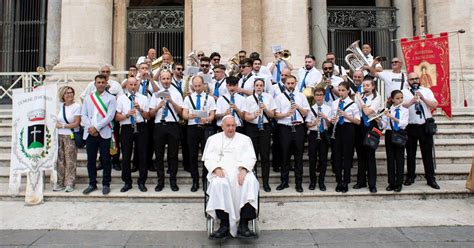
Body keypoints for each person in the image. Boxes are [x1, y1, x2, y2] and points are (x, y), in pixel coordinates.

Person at [203, 115, 259, 239]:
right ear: (222, 126)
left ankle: (244, 224)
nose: (231, 128)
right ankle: (224, 224)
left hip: (240, 171)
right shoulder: (213, 139)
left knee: (250, 181)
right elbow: (208, 158)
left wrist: (244, 170)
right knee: (219, 183)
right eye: (228, 126)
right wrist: (216, 168)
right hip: (221, 172)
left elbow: (251, 157)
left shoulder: (245, 139)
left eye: (233, 125)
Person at [80, 65, 124, 171]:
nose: (105, 73)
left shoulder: (116, 85)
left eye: (107, 71)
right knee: (95, 154)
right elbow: (83, 98)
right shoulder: (91, 86)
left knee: (114, 140)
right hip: (93, 124)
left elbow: (121, 98)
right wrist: (91, 124)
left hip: (110, 119)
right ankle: (99, 165)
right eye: (103, 71)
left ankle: (115, 160)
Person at [402, 72, 439, 189]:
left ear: (419, 79)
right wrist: (411, 101)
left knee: (427, 153)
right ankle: (410, 177)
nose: (414, 81)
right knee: (410, 154)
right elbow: (401, 106)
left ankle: (430, 179)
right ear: (408, 81)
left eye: (416, 78)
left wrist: (422, 98)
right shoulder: (404, 92)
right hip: (410, 126)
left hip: (424, 126)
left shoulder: (426, 90)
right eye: (411, 79)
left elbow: (434, 104)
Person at [81, 74, 117, 195]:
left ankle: (106, 184)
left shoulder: (111, 98)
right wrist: (90, 128)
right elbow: (84, 115)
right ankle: (92, 183)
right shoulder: (88, 98)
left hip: (104, 132)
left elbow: (110, 116)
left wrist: (96, 127)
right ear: (95, 83)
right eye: (98, 82)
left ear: (106, 83)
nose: (101, 84)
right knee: (91, 160)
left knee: (106, 160)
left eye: (103, 82)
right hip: (90, 133)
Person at [149, 70, 184, 192]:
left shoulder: (177, 94)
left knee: (173, 155)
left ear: (171, 79)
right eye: (163, 79)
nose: (166, 81)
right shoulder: (156, 94)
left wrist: (171, 102)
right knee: (159, 155)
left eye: (168, 78)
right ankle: (160, 181)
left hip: (173, 125)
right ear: (160, 80)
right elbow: (150, 114)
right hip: (159, 126)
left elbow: (181, 112)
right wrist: (158, 106)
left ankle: (173, 181)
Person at [274, 75, 310, 192]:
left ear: (295, 83)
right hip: (285, 128)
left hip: (299, 128)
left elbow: (305, 114)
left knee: (298, 157)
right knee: (284, 156)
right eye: (288, 83)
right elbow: (275, 115)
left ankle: (298, 183)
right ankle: (284, 182)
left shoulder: (301, 96)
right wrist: (286, 114)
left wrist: (298, 107)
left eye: (292, 83)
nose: (290, 85)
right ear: (285, 84)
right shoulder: (279, 97)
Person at [182, 75, 217, 192]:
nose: (197, 88)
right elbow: (184, 114)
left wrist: (206, 120)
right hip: (192, 128)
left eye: (199, 86)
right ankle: (195, 181)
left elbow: (212, 115)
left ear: (203, 85)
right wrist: (189, 116)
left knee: (206, 156)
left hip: (205, 128)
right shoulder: (188, 98)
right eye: (195, 86)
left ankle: (205, 180)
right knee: (192, 156)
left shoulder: (210, 98)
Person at [115, 77, 150, 192]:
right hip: (126, 128)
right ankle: (127, 182)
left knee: (142, 156)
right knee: (126, 156)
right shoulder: (121, 99)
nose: (133, 87)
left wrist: (140, 109)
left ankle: (142, 182)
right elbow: (116, 117)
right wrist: (127, 115)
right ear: (126, 86)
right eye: (131, 84)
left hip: (141, 127)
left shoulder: (144, 98)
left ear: (138, 85)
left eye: (135, 84)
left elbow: (148, 117)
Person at [244, 78, 277, 192]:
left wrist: (265, 109)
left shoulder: (269, 97)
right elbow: (245, 117)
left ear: (264, 86)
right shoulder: (248, 99)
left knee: (265, 156)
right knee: (253, 157)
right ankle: (253, 183)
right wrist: (254, 115)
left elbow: (272, 114)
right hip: (252, 128)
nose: (259, 87)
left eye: (261, 85)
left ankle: (266, 183)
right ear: (254, 86)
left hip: (265, 128)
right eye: (257, 85)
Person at [330, 81, 360, 193]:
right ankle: (339, 181)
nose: (341, 92)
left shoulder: (353, 104)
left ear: (348, 91)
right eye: (339, 90)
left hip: (348, 129)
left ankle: (346, 181)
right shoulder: (334, 103)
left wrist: (346, 115)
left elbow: (357, 121)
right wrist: (333, 120)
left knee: (347, 156)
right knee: (337, 156)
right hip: (337, 129)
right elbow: (332, 117)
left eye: (343, 90)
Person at [353, 79, 381, 193]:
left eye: (368, 85)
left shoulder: (376, 97)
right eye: (364, 85)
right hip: (360, 127)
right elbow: (356, 110)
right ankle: (361, 181)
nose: (365, 87)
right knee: (360, 155)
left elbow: (368, 112)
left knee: (370, 156)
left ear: (373, 86)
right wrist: (359, 99)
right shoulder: (359, 96)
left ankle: (372, 184)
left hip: (370, 127)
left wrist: (361, 102)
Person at [379, 90, 409, 192]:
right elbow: (383, 125)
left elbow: (404, 124)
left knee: (400, 159)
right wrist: (379, 119)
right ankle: (391, 183)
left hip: (400, 134)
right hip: (389, 134)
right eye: (397, 98)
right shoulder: (388, 110)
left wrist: (393, 117)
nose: (400, 100)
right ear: (392, 99)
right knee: (390, 159)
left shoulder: (405, 110)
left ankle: (399, 183)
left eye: (401, 98)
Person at [54, 86, 81, 193]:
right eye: (66, 93)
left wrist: (63, 126)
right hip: (59, 136)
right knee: (60, 160)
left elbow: (76, 123)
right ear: (62, 95)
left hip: (70, 136)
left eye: (71, 92)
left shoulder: (77, 106)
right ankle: (60, 182)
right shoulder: (60, 106)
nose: (69, 94)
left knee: (70, 160)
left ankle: (70, 183)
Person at [305, 87, 331, 191]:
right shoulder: (311, 109)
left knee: (323, 159)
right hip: (313, 134)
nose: (319, 97)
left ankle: (321, 181)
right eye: (317, 95)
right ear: (314, 97)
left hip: (323, 134)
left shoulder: (328, 109)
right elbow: (307, 124)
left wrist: (325, 117)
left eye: (321, 95)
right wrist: (313, 123)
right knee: (312, 159)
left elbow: (329, 125)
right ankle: (313, 181)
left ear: (324, 96)